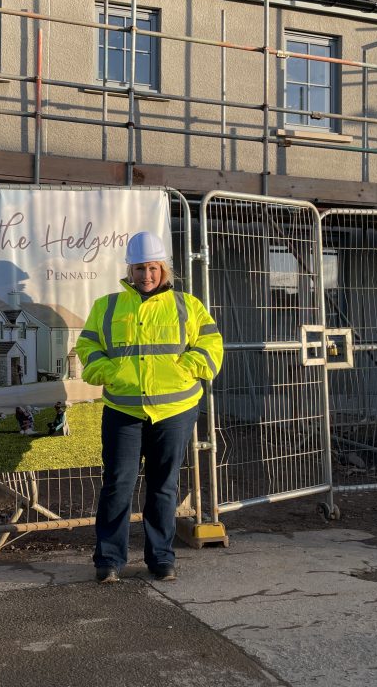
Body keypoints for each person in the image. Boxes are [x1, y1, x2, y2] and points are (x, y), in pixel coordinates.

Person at [76, 230, 223, 583]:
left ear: (164, 269)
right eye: (140, 268)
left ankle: (160, 558)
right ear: (130, 270)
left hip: (174, 411)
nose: (146, 275)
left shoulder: (188, 305)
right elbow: (88, 349)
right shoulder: (107, 306)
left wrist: (185, 368)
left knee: (163, 485)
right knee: (117, 484)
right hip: (123, 410)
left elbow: (211, 346)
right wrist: (108, 371)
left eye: (153, 268)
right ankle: (109, 559)